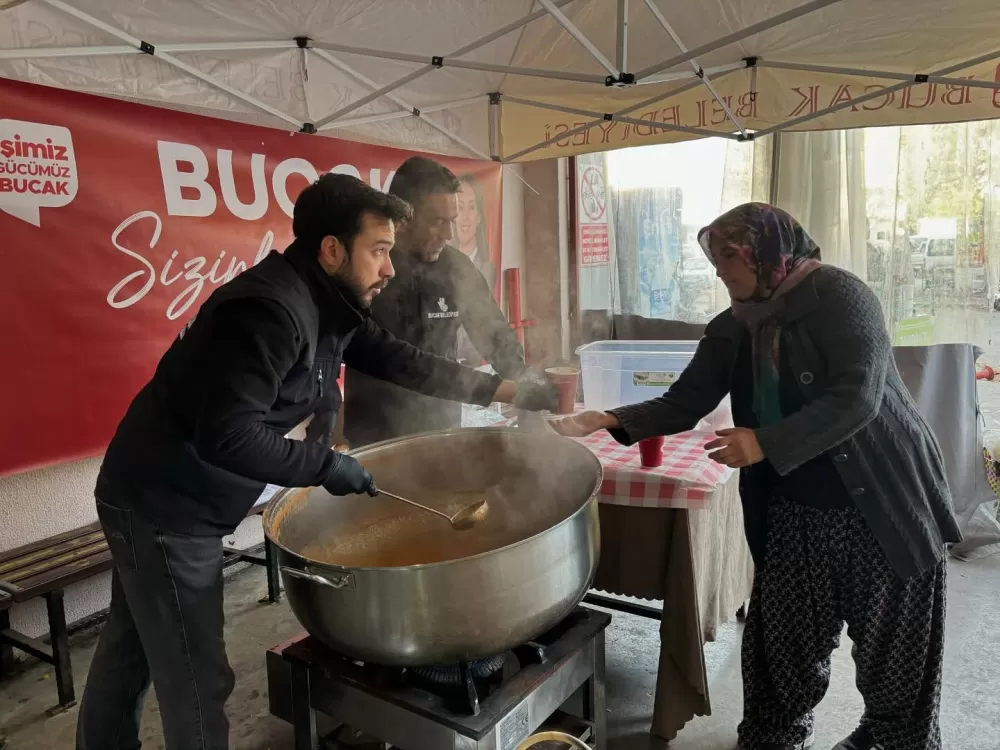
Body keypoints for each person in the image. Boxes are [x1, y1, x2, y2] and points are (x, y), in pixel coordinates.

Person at [76, 173, 557, 750]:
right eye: (378, 251)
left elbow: (401, 360)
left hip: (164, 492)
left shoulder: (328, 301)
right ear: (331, 249)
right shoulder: (269, 312)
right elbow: (226, 437)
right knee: (197, 679)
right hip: (165, 504)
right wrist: (324, 464)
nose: (390, 268)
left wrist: (504, 391)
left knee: (131, 651)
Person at [550, 203, 961, 750]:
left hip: (882, 506)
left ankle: (890, 738)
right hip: (795, 509)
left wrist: (764, 441)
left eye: (730, 260)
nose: (722, 274)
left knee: (897, 657)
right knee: (781, 651)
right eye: (716, 262)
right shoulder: (734, 325)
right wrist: (607, 419)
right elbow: (686, 400)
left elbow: (857, 397)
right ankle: (773, 739)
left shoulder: (842, 296)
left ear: (768, 254)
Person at [344, 156, 528, 447]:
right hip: (377, 435)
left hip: (442, 429)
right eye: (437, 222)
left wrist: (526, 386)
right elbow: (395, 360)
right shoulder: (368, 270)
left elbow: (494, 333)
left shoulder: (457, 268)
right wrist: (498, 390)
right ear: (402, 218)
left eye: (451, 221)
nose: (449, 235)